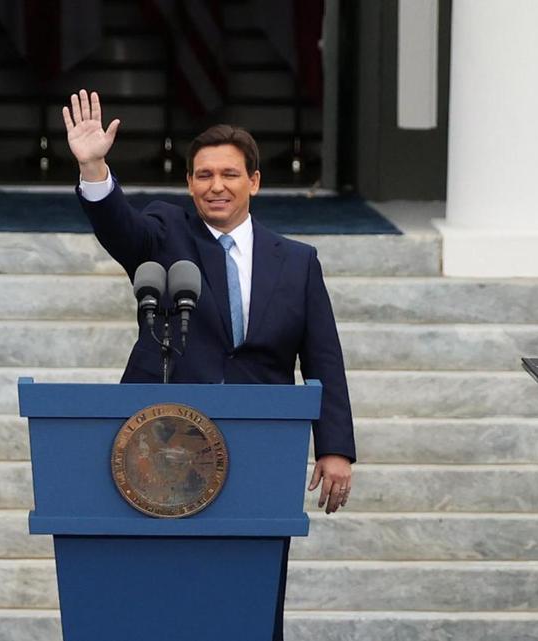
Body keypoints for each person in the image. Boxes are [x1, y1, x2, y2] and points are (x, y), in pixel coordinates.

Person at [63, 89, 354, 514]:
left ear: (253, 182)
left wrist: (335, 447)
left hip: (263, 437)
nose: (216, 186)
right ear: (189, 183)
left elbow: (324, 358)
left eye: (230, 174)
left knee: (254, 565)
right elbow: (120, 227)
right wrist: (92, 167)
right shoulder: (166, 231)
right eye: (203, 175)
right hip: (165, 437)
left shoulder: (297, 261)